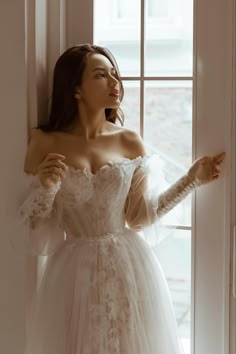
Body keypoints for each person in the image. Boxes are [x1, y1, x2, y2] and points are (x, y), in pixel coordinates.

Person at [20, 43, 226, 354]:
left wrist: (190, 180)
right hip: (73, 273)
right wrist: (47, 187)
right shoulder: (44, 142)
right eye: (101, 75)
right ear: (75, 89)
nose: (115, 83)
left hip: (127, 265)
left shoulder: (128, 140)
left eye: (115, 74)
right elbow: (32, 223)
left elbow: (139, 216)